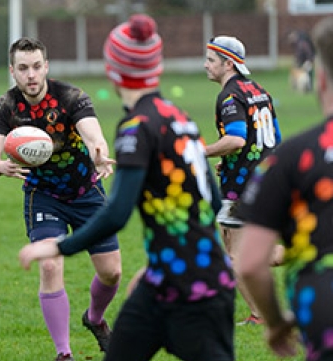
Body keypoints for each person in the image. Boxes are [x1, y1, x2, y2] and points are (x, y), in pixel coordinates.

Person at [19, 14, 236, 361]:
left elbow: (117, 212)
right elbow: (210, 199)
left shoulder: (136, 126)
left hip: (194, 287)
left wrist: (60, 247)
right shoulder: (179, 116)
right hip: (170, 277)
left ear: (114, 71)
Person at [0, 37, 122, 361]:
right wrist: (0, 166)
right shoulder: (6, 106)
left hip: (86, 191)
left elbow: (93, 135)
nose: (30, 75)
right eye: (22, 68)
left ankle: (95, 319)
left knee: (111, 272)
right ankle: (64, 353)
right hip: (43, 196)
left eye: (35, 67)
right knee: (49, 264)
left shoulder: (71, 97)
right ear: (12, 71)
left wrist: (99, 153)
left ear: (46, 67)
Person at [236, 16, 333, 360]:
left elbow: (249, 262)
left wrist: (276, 323)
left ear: (320, 79)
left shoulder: (290, 157)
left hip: (322, 306)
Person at [204, 35, 284, 325]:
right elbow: (274, 137)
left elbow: (236, 139)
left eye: (211, 60)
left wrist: (204, 152)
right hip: (264, 178)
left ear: (228, 63)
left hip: (242, 187)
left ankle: (260, 315)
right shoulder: (258, 90)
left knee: (235, 257)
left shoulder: (229, 96)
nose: (205, 65)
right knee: (240, 251)